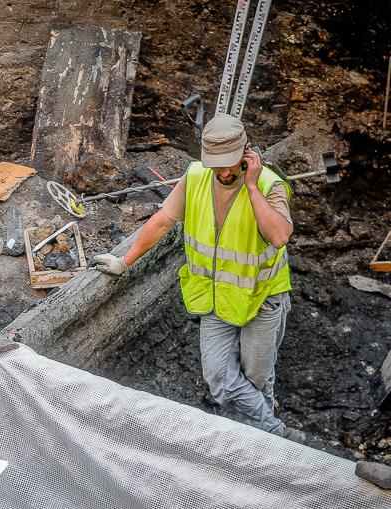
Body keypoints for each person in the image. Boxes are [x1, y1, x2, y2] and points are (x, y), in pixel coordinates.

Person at [90, 114, 306, 442]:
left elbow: (279, 236)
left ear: (247, 154)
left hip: (262, 299)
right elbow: (162, 221)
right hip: (216, 297)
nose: (222, 172)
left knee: (257, 377)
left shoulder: (268, 185)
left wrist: (250, 186)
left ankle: (257, 440)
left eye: (229, 164)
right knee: (219, 378)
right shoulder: (195, 177)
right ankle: (275, 433)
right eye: (215, 164)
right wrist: (124, 261)